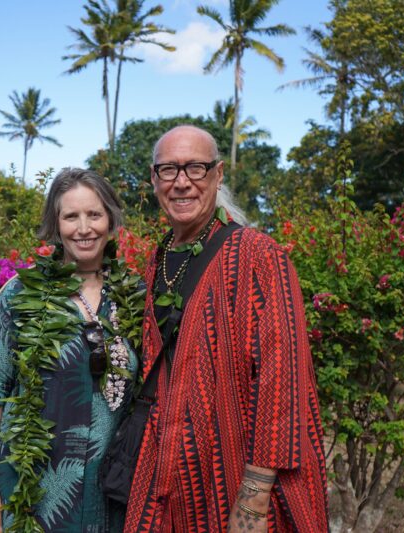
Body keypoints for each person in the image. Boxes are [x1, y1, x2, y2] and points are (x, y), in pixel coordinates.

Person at [124, 125, 329, 532]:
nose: (182, 183)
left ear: (217, 175)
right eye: (168, 170)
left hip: (236, 479)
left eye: (195, 169)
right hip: (164, 480)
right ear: (153, 179)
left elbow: (283, 380)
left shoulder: (258, 255)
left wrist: (253, 500)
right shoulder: (156, 260)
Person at [0, 168, 143, 533]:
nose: (84, 228)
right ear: (55, 223)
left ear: (111, 219)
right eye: (71, 216)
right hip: (30, 493)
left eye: (94, 214)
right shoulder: (20, 294)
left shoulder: (133, 298)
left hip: (108, 495)